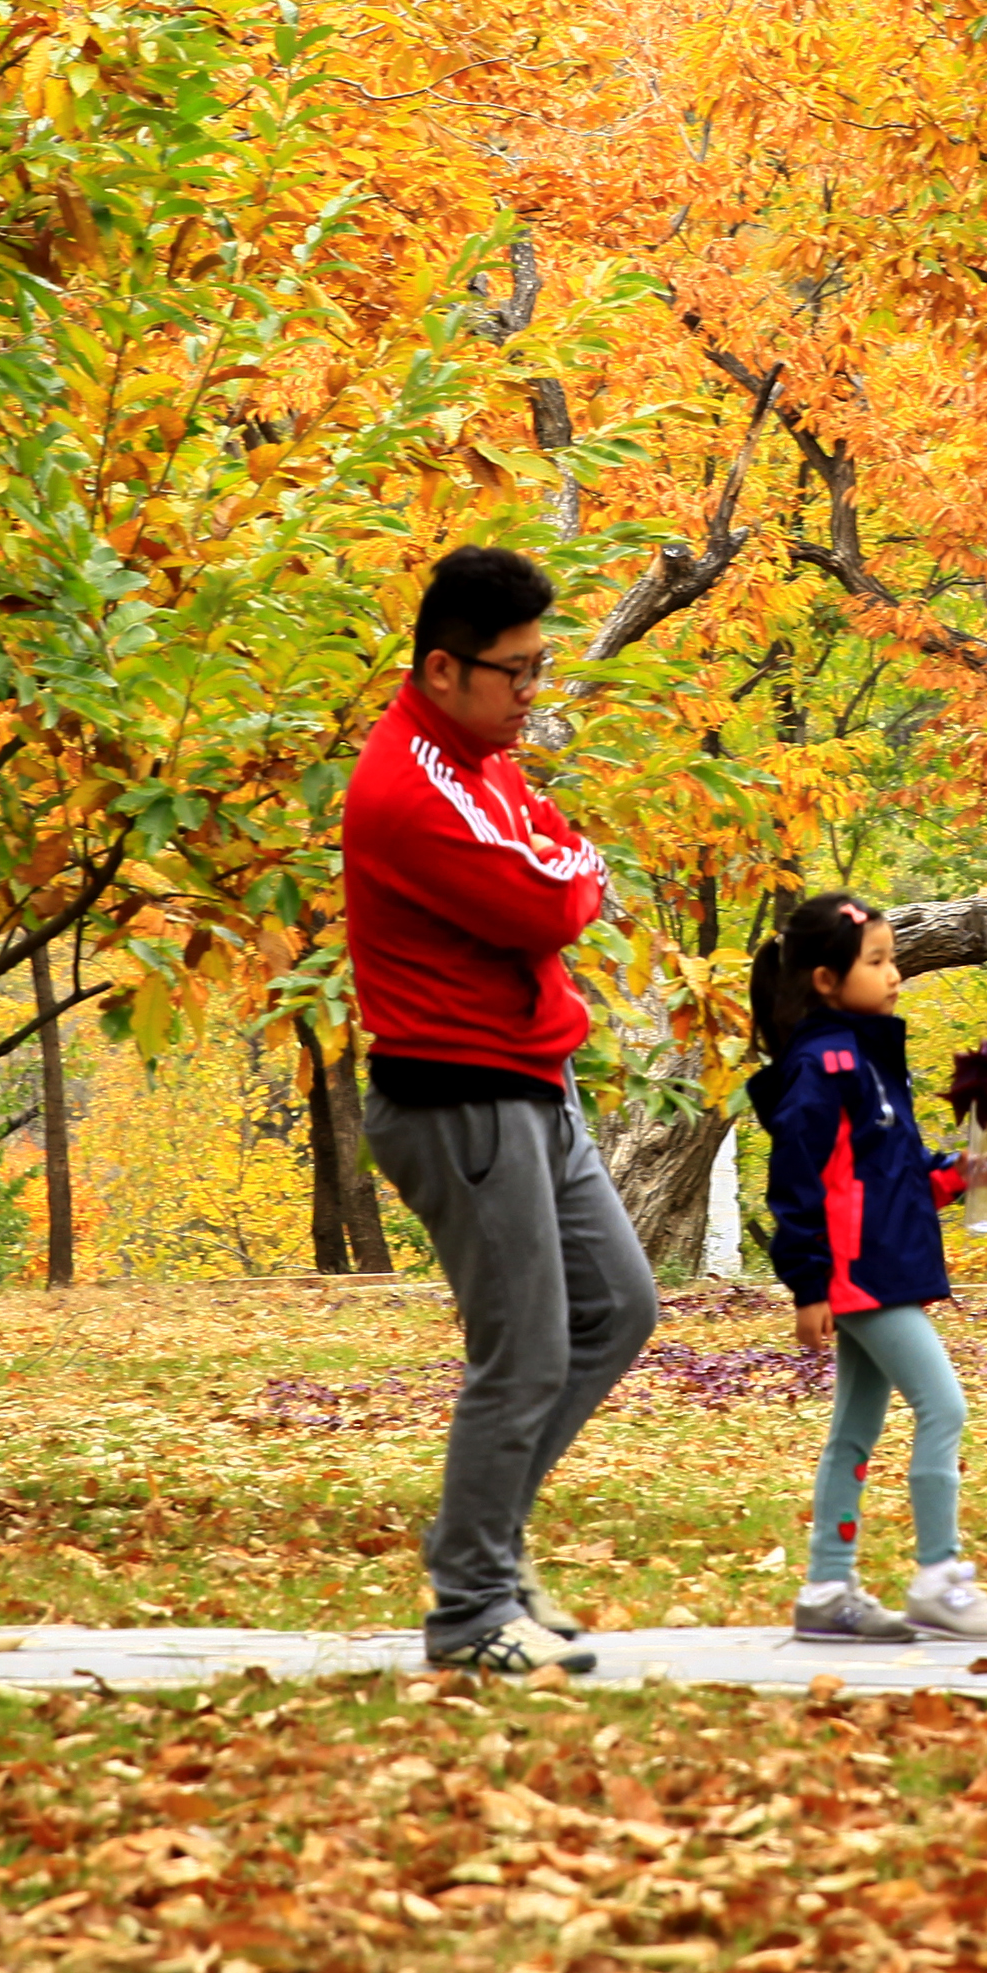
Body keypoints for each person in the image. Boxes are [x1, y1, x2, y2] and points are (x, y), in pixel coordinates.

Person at [345, 543, 657, 1679]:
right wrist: (571, 872)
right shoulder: (409, 786)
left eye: (540, 668)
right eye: (515, 672)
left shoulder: (483, 758)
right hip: (461, 1098)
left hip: (531, 1079)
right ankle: (471, 1609)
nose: (532, 693)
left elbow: (561, 849)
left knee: (617, 1310)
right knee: (521, 1355)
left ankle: (483, 1552)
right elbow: (553, 898)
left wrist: (567, 862)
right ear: (443, 667)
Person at [750, 891, 987, 1644]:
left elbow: (890, 1172)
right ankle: (941, 1577)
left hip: (882, 1265)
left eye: (893, 957)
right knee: (946, 1408)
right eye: (877, 961)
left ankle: (826, 1589)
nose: (896, 974)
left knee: (854, 1433)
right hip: (859, 1277)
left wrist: (963, 1172)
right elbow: (797, 1184)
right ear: (825, 980)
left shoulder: (869, 1061)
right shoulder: (823, 1067)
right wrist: (809, 1285)